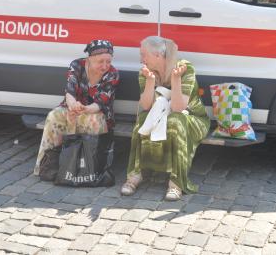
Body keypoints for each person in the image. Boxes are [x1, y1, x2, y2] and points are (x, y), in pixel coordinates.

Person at [121, 36, 210, 201]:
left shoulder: (184, 68)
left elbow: (178, 108)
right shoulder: (145, 71)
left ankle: (176, 183)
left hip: (193, 119)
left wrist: (175, 80)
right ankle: (135, 175)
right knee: (142, 119)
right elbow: (147, 106)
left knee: (176, 121)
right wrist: (150, 81)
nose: (141, 59)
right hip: (161, 116)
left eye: (143, 55)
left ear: (157, 55)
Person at [34, 40, 120, 176]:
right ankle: (49, 165)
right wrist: (73, 105)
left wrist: (83, 109)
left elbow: (100, 102)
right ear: (89, 59)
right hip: (73, 106)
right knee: (54, 116)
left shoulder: (112, 73)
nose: (105, 66)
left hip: (97, 111)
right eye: (100, 61)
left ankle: (88, 170)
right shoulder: (77, 65)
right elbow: (69, 91)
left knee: (91, 120)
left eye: (108, 61)